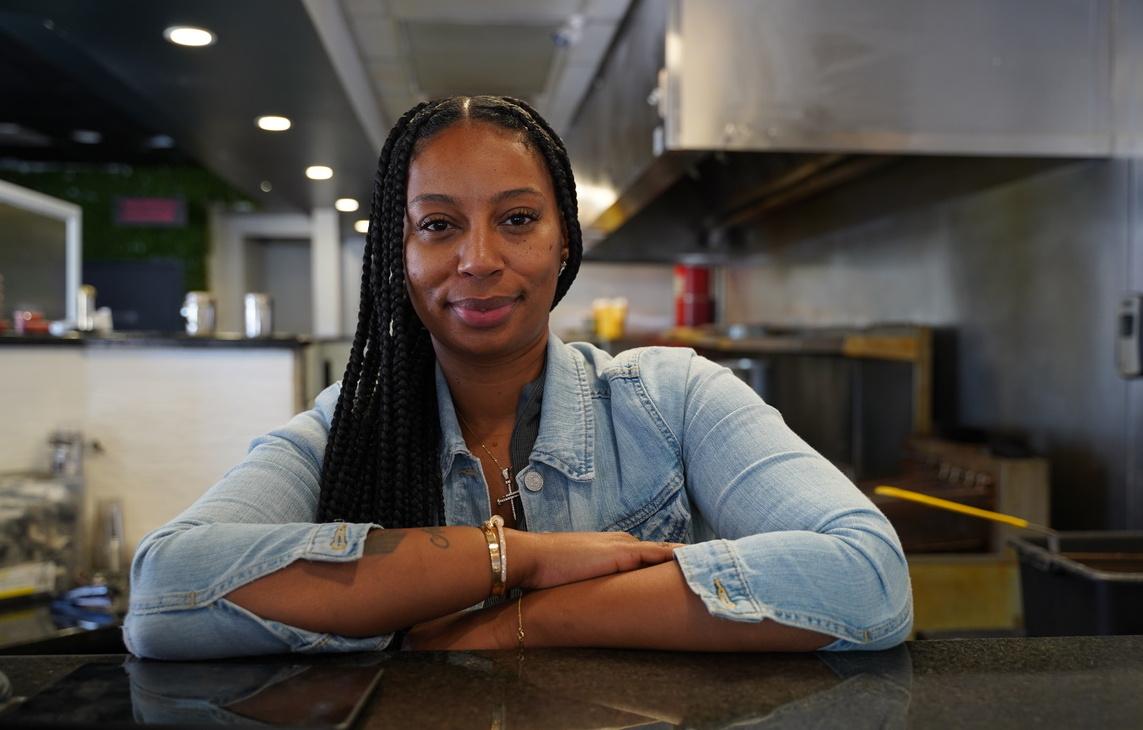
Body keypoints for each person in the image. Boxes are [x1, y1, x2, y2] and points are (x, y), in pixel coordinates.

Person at [124, 96, 912, 659]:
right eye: (437, 226)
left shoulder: (672, 396)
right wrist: (518, 557)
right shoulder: (350, 428)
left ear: (562, 241)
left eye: (515, 218)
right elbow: (163, 595)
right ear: (396, 256)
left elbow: (868, 581)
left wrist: (518, 622)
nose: (478, 260)